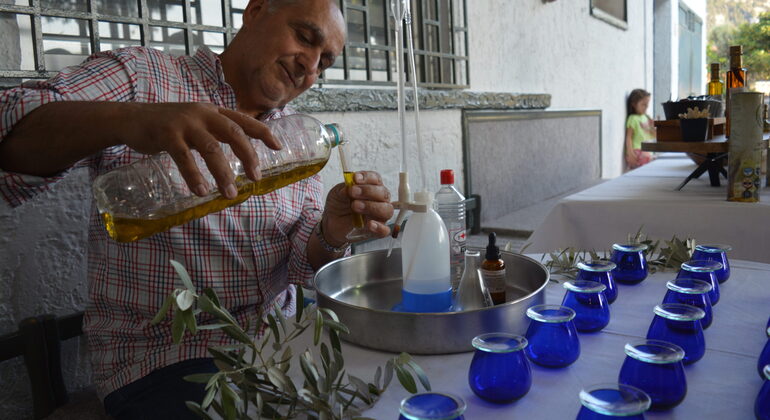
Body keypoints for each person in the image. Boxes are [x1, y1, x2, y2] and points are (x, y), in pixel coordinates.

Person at [0, 0, 393, 418]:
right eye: (305, 37)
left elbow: (299, 266)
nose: (310, 67)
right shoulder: (146, 78)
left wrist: (330, 233)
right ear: (256, 11)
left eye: (325, 62)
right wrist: (129, 120)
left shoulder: (295, 138)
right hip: (165, 360)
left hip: (281, 349)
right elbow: (8, 126)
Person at [625, 88, 655, 170]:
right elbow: (628, 137)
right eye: (643, 105)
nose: (646, 107)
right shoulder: (633, 118)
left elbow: (654, 135)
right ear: (634, 104)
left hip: (646, 150)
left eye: (647, 105)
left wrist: (652, 127)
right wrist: (630, 154)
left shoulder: (646, 117)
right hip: (636, 151)